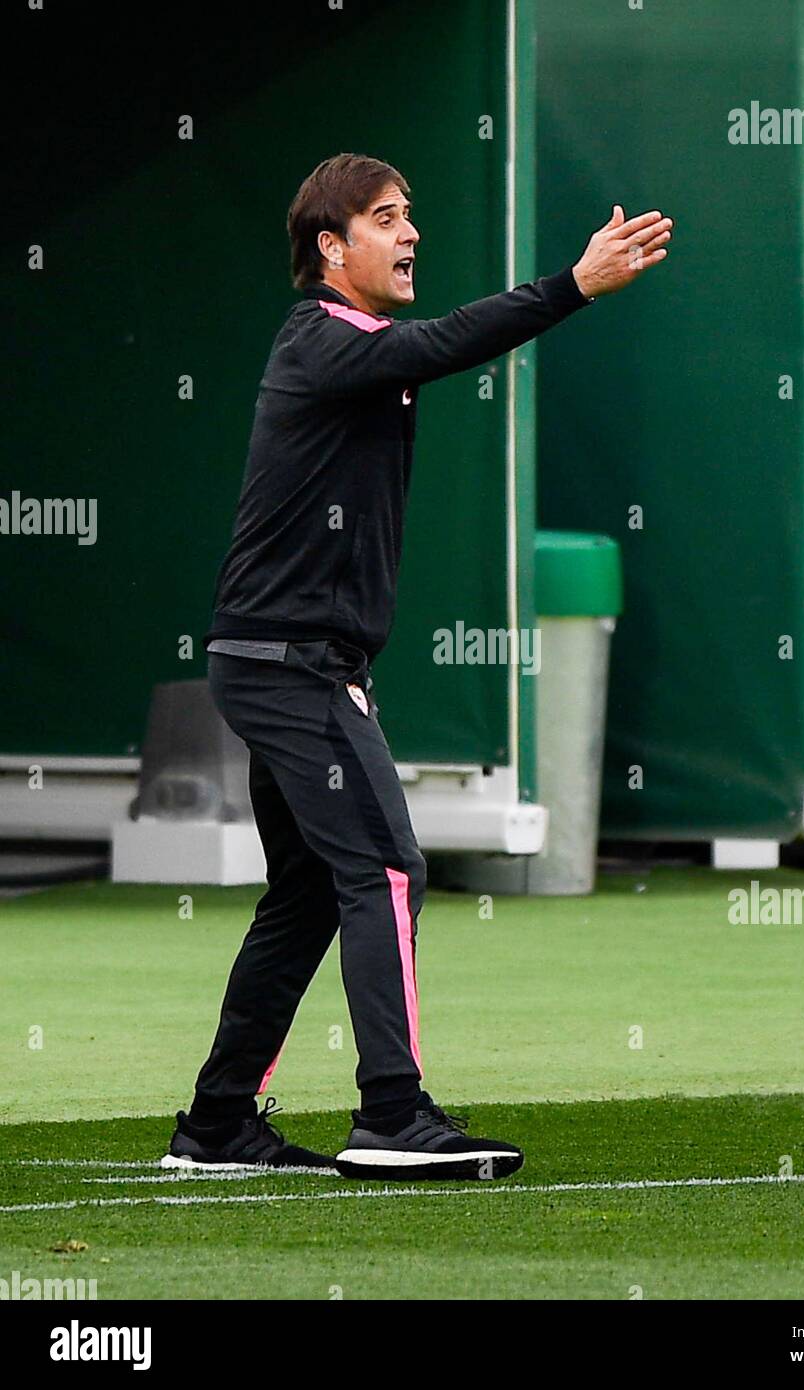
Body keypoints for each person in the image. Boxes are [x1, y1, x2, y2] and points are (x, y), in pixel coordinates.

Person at [161, 153, 674, 1180]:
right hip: (288, 663)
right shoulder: (324, 335)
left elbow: (423, 350)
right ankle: (393, 1112)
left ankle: (218, 1124)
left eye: (412, 215)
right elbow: (445, 343)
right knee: (388, 866)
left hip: (285, 657)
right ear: (330, 246)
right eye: (387, 217)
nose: (411, 235)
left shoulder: (357, 349)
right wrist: (573, 284)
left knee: (310, 890)